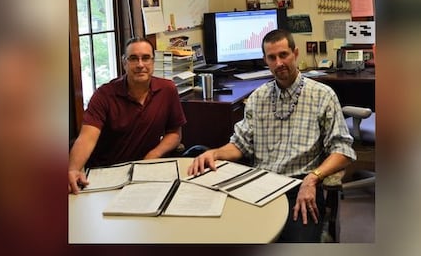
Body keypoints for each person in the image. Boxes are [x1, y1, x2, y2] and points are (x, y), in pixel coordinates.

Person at [188, 29, 355, 242]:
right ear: (265, 60)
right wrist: (215, 153)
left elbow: (343, 151)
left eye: (283, 55)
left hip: (299, 186)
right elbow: (240, 144)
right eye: (272, 57)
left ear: (295, 53)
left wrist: (313, 178)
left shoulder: (323, 95)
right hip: (258, 185)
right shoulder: (258, 97)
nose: (279, 63)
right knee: (222, 237)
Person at [68, 36, 186, 194]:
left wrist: (153, 154)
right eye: (133, 59)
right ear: (124, 63)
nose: (140, 65)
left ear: (153, 62)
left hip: (146, 172)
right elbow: (86, 138)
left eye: (146, 58)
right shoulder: (104, 95)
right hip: (107, 175)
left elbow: (174, 133)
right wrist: (73, 169)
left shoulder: (167, 90)